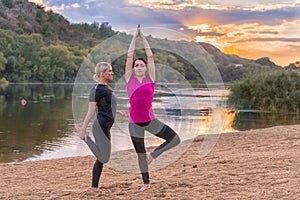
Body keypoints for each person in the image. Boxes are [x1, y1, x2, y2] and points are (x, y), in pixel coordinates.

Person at [125, 25, 181, 191]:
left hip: (151, 121)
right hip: (134, 123)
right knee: (140, 154)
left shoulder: (151, 78)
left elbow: (150, 55)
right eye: (137, 65)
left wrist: (143, 38)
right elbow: (129, 57)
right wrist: (134, 37)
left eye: (142, 65)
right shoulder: (130, 80)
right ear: (133, 69)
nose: (140, 67)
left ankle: (153, 155)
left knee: (175, 139)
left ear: (146, 68)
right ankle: (146, 183)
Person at [79, 62, 126, 192]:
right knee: (104, 157)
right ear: (102, 73)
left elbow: (105, 106)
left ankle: (94, 187)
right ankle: (86, 138)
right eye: (109, 71)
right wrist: (83, 130)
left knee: (101, 158)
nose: (112, 73)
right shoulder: (96, 89)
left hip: (106, 127)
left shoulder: (107, 88)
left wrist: (118, 111)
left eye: (111, 71)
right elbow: (91, 110)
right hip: (100, 127)